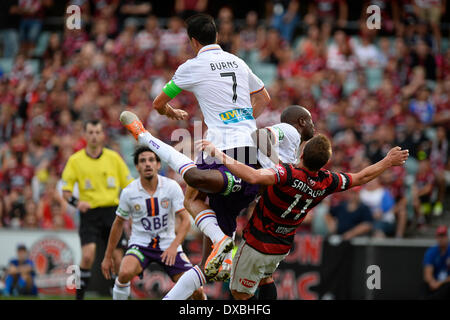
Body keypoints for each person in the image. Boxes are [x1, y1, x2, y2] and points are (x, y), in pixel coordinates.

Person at [119, 104, 315, 299]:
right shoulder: (291, 131)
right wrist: (275, 169)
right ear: (301, 122)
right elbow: (262, 135)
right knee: (196, 180)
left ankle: (221, 245)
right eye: (311, 122)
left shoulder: (295, 151)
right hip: (244, 176)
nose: (314, 125)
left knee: (205, 264)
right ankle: (145, 137)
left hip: (241, 196)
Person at [140, 13, 271, 283]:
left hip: (221, 150)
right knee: (227, 212)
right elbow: (264, 97)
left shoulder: (193, 66)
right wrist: (242, 121)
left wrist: (171, 112)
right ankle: (224, 256)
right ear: (217, 37)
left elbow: (157, 103)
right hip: (251, 151)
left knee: (192, 199)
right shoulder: (237, 61)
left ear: (193, 41)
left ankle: (221, 240)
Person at [197, 134, 409, 300]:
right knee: (265, 279)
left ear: (302, 155)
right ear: (324, 163)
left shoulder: (286, 174)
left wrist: (218, 154)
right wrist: (388, 161)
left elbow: (252, 176)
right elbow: (362, 177)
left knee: (239, 294)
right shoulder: (327, 181)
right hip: (282, 246)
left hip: (257, 244)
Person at [101, 146, 205, 300]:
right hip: (140, 245)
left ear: (158, 165)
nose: (147, 164)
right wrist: (107, 256)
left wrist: (174, 246)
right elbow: (118, 223)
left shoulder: (171, 187)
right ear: (137, 167)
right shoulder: (129, 192)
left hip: (168, 244)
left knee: (196, 290)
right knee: (123, 273)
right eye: (142, 161)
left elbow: (185, 221)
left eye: (151, 160)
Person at [61, 119, 133, 300]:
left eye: (97, 132)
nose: (94, 136)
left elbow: (130, 185)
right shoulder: (75, 160)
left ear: (103, 135)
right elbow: (66, 191)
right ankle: (79, 295)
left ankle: (118, 294)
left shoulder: (114, 158)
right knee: (87, 257)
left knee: (118, 258)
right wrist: (77, 203)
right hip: (89, 213)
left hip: (112, 213)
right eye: (90, 132)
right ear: (85, 135)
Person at [423, 225, 450, 300]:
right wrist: (432, 282)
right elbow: (427, 273)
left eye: (443, 236)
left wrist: (440, 283)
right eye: (439, 236)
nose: (441, 239)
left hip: (446, 283)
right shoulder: (431, 252)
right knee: (424, 286)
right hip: (435, 282)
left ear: (447, 237)